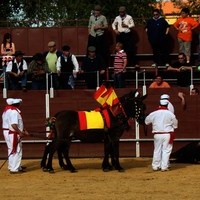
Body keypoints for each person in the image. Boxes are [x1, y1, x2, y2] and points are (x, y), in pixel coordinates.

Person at [145, 99, 178, 172]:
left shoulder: (154, 113)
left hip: (157, 135)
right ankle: (164, 166)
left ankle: (155, 166)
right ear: (167, 105)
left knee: (157, 150)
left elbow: (146, 121)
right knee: (166, 150)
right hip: (167, 134)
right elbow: (175, 125)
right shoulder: (170, 114)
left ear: (159, 105)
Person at [2, 98, 29, 173]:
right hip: (13, 132)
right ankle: (15, 168)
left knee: (11, 149)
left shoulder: (7, 111)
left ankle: (13, 166)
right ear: (17, 104)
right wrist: (20, 132)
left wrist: (23, 130)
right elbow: (14, 124)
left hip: (8, 131)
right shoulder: (14, 112)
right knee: (17, 149)